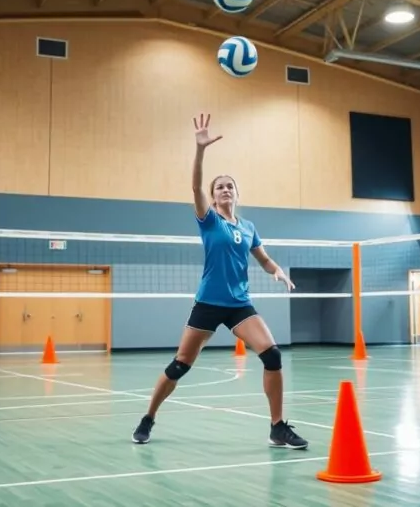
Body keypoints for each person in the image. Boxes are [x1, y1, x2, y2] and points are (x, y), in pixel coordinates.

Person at [131, 113, 308, 450]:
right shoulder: (209, 220)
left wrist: (277, 271)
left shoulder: (248, 226)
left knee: (272, 355)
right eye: (220, 187)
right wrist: (200, 150)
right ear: (213, 197)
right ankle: (148, 417)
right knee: (181, 365)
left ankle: (277, 427)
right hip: (209, 303)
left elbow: (263, 257)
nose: (225, 190)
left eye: (230, 186)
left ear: (237, 194)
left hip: (240, 304)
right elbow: (195, 185)